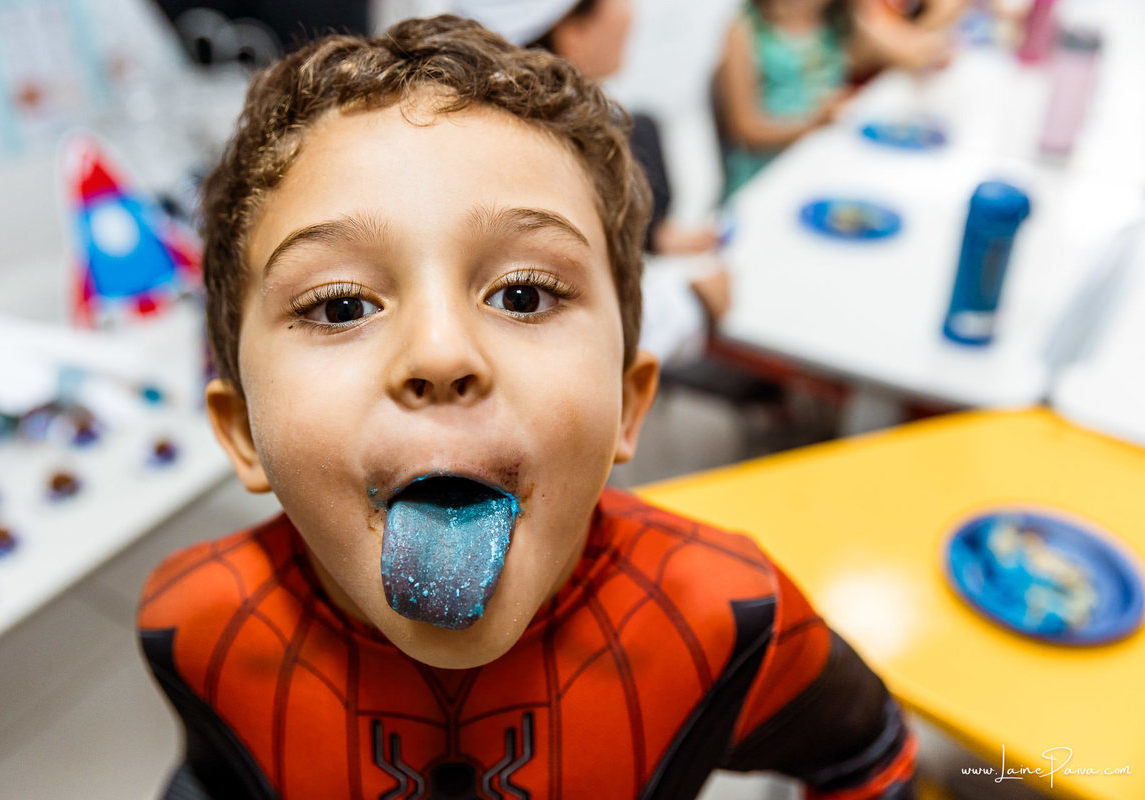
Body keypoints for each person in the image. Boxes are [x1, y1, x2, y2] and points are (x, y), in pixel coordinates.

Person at [137, 16, 917, 799]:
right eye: (340, 306)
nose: (441, 354)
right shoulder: (193, 625)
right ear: (242, 432)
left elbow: (871, 758)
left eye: (523, 295)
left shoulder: (733, 613)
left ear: (626, 403)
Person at [455, 0, 731, 364]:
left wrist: (660, 239)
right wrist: (692, 303)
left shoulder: (567, 134)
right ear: (573, 32)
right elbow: (563, 331)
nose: (631, 12)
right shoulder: (536, 165)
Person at [716, 0, 855, 195]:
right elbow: (745, 131)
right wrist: (813, 125)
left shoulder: (836, 21)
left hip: (823, 158)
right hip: (768, 171)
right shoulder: (746, 30)